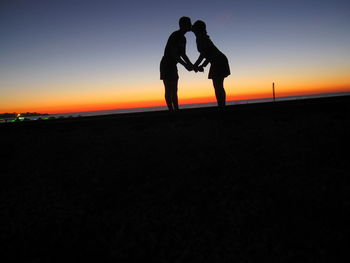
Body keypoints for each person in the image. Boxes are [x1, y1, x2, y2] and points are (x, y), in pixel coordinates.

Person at [192, 20, 230, 108]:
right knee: (218, 86)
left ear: (197, 29)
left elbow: (203, 54)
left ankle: (221, 106)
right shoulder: (202, 37)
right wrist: (201, 65)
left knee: (218, 86)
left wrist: (195, 65)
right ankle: (221, 106)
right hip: (218, 60)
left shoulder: (201, 38)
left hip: (219, 61)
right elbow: (208, 54)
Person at [160, 16, 194, 111]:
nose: (190, 25)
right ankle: (171, 110)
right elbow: (174, 54)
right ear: (182, 25)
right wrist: (186, 65)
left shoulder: (183, 39)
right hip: (166, 64)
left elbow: (183, 54)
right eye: (188, 24)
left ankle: (176, 110)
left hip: (173, 65)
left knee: (174, 90)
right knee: (168, 89)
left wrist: (191, 65)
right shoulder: (175, 35)